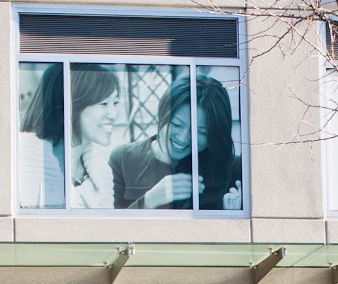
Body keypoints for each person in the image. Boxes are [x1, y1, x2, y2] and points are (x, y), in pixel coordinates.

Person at [110, 74, 242, 211]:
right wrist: (149, 201)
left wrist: (233, 216)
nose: (184, 137)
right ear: (162, 114)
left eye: (202, 132)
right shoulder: (123, 159)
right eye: (176, 124)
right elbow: (108, 229)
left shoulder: (232, 168)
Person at [17, 63, 122, 209]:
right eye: (104, 103)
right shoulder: (27, 159)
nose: (113, 115)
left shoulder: (101, 174)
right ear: (72, 106)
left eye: (115, 103)